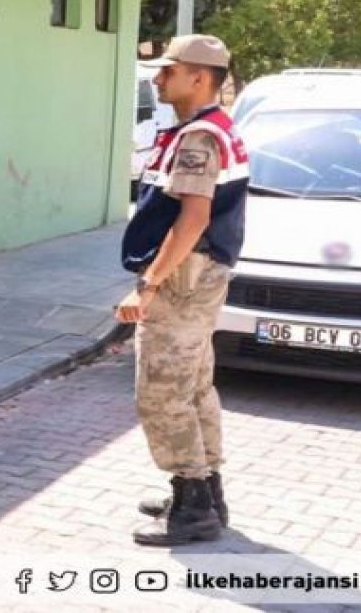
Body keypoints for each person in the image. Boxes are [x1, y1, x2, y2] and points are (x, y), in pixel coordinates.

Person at [117, 34, 249, 546]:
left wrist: (148, 285)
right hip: (201, 277)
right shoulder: (213, 129)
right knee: (194, 386)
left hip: (183, 279)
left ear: (199, 78)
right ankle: (208, 492)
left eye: (168, 71)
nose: (158, 77)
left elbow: (192, 219)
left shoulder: (200, 138)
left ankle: (192, 505)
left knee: (163, 390)